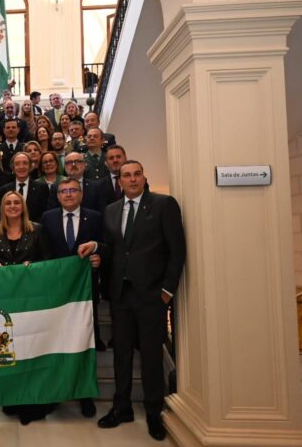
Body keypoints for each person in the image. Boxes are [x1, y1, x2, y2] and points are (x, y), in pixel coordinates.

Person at [95, 160, 185, 441]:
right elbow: (113, 250)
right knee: (121, 354)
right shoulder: (110, 211)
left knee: (150, 357)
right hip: (120, 296)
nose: (132, 179)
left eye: (136, 174)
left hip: (151, 296)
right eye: (126, 176)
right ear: (119, 180)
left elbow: (177, 250)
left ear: (144, 177)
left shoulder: (163, 204)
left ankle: (153, 411)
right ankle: (121, 407)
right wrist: (98, 254)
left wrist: (167, 291)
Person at [40, 178, 104, 419]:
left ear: (81, 193)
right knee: (55, 342)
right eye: (63, 191)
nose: (68, 195)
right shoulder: (47, 218)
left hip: (84, 293)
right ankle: (56, 392)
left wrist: (99, 256)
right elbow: (44, 252)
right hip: (55, 294)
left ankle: (84, 394)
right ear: (57, 196)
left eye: (72, 190)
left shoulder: (95, 217)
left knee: (83, 342)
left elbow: (106, 246)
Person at [0, 191, 52, 425]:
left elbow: (48, 261)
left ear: (23, 206)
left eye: (17, 202)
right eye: (8, 203)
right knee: (10, 351)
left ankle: (32, 404)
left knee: (30, 350)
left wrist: (32, 266)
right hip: (5, 301)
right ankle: (13, 398)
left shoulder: (36, 229)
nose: (13, 206)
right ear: (3, 207)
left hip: (31, 302)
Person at [0, 152, 49, 223]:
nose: (21, 167)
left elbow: (44, 213)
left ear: (30, 167)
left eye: (25, 163)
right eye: (17, 164)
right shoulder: (4, 190)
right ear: (13, 168)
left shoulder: (42, 188)